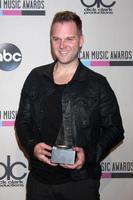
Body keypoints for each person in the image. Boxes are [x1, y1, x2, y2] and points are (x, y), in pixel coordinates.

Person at [15, 11, 124, 200]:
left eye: (69, 39)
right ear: (50, 41)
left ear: (81, 40)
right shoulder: (36, 77)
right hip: (39, 183)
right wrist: (32, 146)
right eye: (56, 39)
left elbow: (115, 129)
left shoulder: (97, 84)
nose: (62, 45)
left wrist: (89, 154)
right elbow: (22, 121)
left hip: (80, 184)